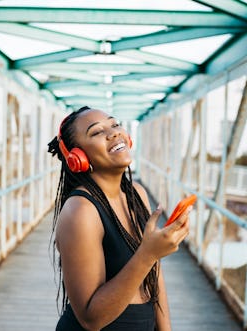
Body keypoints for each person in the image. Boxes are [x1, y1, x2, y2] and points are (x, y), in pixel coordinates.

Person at [47, 106, 191, 330]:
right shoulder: (81, 210)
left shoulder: (137, 193)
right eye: (96, 132)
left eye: (115, 125)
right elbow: (91, 319)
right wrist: (149, 253)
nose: (113, 133)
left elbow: (154, 275)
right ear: (78, 158)